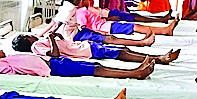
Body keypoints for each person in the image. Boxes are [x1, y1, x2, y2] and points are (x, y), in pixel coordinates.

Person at [0, 42, 155, 80]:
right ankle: (136, 74)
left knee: (97, 66)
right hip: (55, 68)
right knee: (97, 70)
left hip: (56, 63)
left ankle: (135, 70)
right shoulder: (2, 65)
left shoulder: (8, 58)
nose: (1, 50)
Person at [11, 33, 180, 65]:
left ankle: (158, 57)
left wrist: (57, 37)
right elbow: (54, 55)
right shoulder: (35, 46)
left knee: (123, 50)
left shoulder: (39, 42)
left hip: (85, 46)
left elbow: (61, 45)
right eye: (28, 35)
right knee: (121, 53)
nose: (32, 35)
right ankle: (159, 59)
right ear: (27, 40)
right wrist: (50, 38)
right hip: (86, 51)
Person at [72, 0, 178, 39]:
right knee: (135, 27)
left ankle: (164, 30)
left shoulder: (85, 10)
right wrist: (101, 33)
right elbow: (83, 28)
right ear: (82, 1)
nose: (89, 1)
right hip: (107, 28)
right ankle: (164, 31)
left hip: (108, 25)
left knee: (135, 26)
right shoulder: (80, 12)